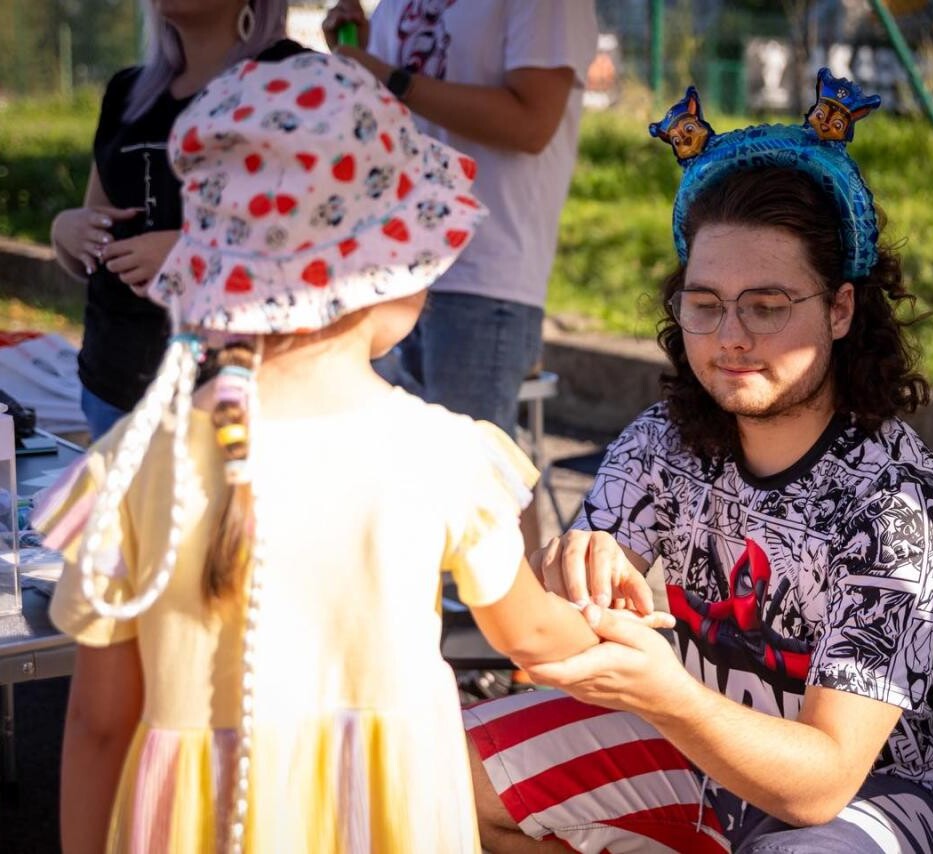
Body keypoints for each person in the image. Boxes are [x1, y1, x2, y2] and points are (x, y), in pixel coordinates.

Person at [34, 53, 669, 853]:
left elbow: (98, 726)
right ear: (388, 272)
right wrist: (627, 636)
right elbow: (535, 640)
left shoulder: (131, 465)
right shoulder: (441, 454)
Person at [462, 73, 933, 854]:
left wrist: (671, 694)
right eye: (705, 303)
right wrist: (511, 546)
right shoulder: (662, 442)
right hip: (698, 750)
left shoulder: (894, 505)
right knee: (431, 769)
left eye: (768, 305)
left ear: (841, 309)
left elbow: (821, 781)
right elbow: (551, 641)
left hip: (880, 790)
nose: (730, 337)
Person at [319, 0, 597, 440]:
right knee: (393, 474)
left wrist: (387, 76)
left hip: (483, 278)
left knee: (478, 489)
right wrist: (363, 57)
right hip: (389, 270)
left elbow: (532, 123)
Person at [49, 0, 304, 441]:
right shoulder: (127, 93)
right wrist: (65, 232)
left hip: (233, 396)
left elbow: (329, 249)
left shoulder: (297, 82)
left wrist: (194, 254)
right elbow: (92, 241)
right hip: (112, 391)